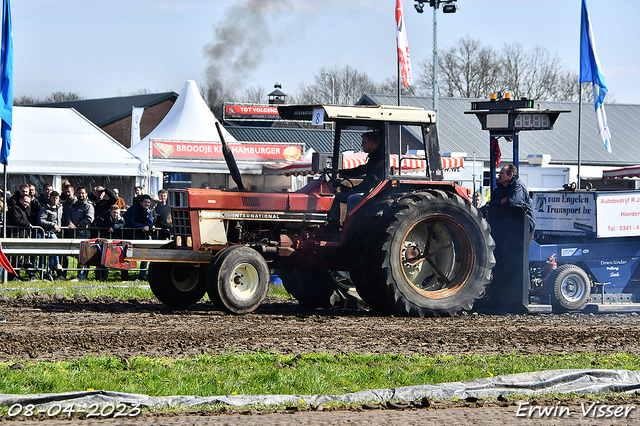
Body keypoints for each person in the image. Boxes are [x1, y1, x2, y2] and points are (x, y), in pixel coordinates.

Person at [332, 131, 384, 218]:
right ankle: (334, 224)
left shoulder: (378, 158)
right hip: (369, 190)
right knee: (337, 196)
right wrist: (353, 189)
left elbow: (362, 170)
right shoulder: (374, 157)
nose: (361, 145)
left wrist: (341, 172)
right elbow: (367, 177)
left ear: (371, 143)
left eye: (364, 142)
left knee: (351, 199)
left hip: (372, 194)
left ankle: (350, 226)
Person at [488, 164, 534, 237]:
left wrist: (500, 203)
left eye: (502, 173)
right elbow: (491, 204)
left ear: (510, 176)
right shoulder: (500, 188)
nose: (499, 175)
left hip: (522, 227)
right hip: (506, 226)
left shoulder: (518, 186)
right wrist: (502, 201)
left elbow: (513, 204)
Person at [66, 187, 95, 281]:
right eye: (79, 193)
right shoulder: (73, 205)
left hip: (83, 233)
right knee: (76, 255)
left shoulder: (88, 205)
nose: (81, 195)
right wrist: (69, 222)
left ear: (86, 194)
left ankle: (82, 275)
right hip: (73, 233)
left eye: (82, 193)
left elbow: (89, 218)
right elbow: (68, 215)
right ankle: (80, 274)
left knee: (84, 255)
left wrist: (78, 225)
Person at [124, 194, 153, 280]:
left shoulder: (149, 210)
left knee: (145, 253)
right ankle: (125, 275)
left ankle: (142, 274)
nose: (147, 204)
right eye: (145, 202)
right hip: (130, 234)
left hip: (143, 235)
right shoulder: (133, 209)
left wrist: (148, 226)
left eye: (148, 202)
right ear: (140, 202)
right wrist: (142, 226)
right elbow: (130, 222)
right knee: (127, 255)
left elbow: (150, 221)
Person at [37, 191, 64, 279]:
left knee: (53, 253)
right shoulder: (45, 208)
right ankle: (56, 264)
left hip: (58, 233)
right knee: (54, 244)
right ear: (50, 198)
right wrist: (52, 224)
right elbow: (40, 220)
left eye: (56, 198)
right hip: (48, 233)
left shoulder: (60, 207)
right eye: (53, 198)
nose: (55, 200)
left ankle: (52, 272)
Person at [96, 205, 126, 280]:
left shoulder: (120, 217)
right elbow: (98, 223)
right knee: (102, 256)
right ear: (110, 211)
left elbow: (122, 223)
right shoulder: (104, 215)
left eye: (117, 213)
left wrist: (114, 227)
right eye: (114, 213)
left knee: (112, 256)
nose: (115, 215)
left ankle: (107, 276)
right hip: (103, 236)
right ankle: (99, 276)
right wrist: (108, 227)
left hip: (114, 237)